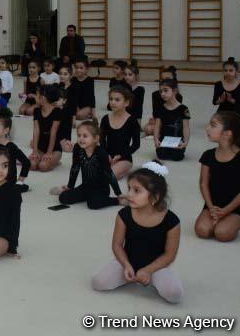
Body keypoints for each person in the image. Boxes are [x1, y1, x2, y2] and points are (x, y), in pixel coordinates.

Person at [91, 162, 183, 304]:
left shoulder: (171, 221)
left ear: (155, 197)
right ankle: (132, 275)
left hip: (156, 266)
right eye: (129, 189)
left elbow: (169, 255)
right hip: (128, 262)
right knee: (98, 282)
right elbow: (117, 245)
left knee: (174, 294)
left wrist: (148, 270)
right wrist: (126, 265)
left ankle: (148, 277)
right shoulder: (124, 215)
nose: (129, 195)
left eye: (137, 191)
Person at [53, 121, 122, 209]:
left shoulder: (101, 153)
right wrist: (70, 186)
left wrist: (118, 193)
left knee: (93, 204)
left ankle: (117, 201)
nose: (81, 139)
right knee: (63, 198)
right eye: (79, 135)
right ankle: (89, 196)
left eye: (85, 136)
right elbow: (75, 168)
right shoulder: (77, 148)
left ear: (95, 138)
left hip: (101, 188)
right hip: (86, 186)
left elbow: (109, 173)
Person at [195, 111, 240, 242]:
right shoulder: (208, 155)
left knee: (222, 233)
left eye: (213, 125)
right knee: (202, 230)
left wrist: (226, 211)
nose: (207, 128)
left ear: (228, 133)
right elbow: (203, 184)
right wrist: (211, 208)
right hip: (213, 204)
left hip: (235, 206)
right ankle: (218, 216)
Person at [101, 85, 142, 180]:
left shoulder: (132, 121)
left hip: (124, 157)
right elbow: (101, 140)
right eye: (111, 99)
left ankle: (122, 169)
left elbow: (136, 145)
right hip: (108, 156)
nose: (113, 102)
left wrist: (120, 156)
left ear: (126, 102)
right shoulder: (105, 119)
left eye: (117, 100)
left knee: (108, 176)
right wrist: (106, 155)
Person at [0, 108, 30, 192]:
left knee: (4, 190)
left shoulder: (11, 147)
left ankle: (18, 186)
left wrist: (20, 181)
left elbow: (26, 163)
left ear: (6, 130)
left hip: (7, 180)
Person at [152, 79, 190, 162]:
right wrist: (156, 139)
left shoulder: (183, 109)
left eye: (165, 90)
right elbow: (157, 126)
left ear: (175, 91)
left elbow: (186, 127)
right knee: (161, 155)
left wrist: (185, 142)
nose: (162, 94)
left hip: (177, 140)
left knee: (177, 157)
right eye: (161, 91)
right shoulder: (160, 108)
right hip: (164, 139)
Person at [31, 85, 63, 172]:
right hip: (40, 147)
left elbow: (53, 133)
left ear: (43, 98)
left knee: (43, 166)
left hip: (54, 148)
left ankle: (56, 160)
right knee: (32, 165)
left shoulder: (57, 111)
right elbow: (36, 131)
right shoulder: (37, 110)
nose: (35, 97)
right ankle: (44, 158)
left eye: (37, 95)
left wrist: (49, 152)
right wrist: (35, 151)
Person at [72, 56, 96, 121]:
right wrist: (76, 107)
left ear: (86, 69)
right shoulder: (73, 80)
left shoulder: (90, 80)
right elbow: (72, 96)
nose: (78, 70)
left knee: (78, 115)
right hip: (76, 104)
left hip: (86, 106)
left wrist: (94, 113)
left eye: (81, 68)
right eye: (76, 68)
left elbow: (92, 97)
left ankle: (88, 113)